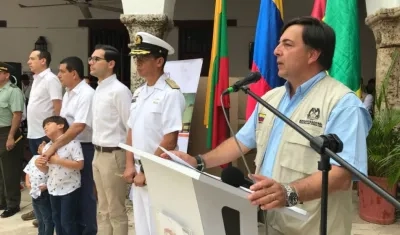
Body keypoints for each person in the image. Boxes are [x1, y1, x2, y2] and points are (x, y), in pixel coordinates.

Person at [162, 16, 372, 235]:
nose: (276, 51)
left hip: (310, 227)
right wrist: (198, 161)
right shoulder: (271, 98)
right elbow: (241, 142)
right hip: (266, 223)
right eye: (279, 43)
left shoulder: (342, 104)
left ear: (313, 54)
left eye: (287, 45)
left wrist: (289, 192)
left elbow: (342, 175)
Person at [123, 32, 186, 235]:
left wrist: (146, 171)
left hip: (158, 169)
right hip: (140, 171)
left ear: (159, 61)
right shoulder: (140, 92)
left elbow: (170, 139)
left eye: (143, 58)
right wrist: (130, 164)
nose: (138, 63)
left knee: (160, 226)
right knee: (142, 226)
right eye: (136, 58)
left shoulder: (171, 93)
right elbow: (132, 129)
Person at [40, 57, 97, 235]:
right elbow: (62, 123)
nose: (58, 75)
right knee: (70, 195)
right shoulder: (68, 92)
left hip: (84, 146)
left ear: (74, 73)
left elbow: (78, 126)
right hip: (65, 146)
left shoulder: (86, 94)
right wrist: (52, 144)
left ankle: (87, 230)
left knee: (85, 193)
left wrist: (52, 147)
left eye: (62, 71)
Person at [89, 44, 132, 235]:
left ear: (111, 63)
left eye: (97, 59)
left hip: (114, 154)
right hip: (97, 153)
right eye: (91, 58)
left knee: (116, 209)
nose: (91, 62)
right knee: (103, 208)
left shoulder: (119, 91)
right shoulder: (98, 89)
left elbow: (130, 126)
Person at [23, 49, 62, 223]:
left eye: (32, 59)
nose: (29, 62)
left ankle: (47, 213)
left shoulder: (51, 79)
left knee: (46, 173)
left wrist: (53, 136)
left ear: (43, 61)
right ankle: (38, 208)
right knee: (35, 172)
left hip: (44, 135)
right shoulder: (37, 79)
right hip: (33, 133)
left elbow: (57, 107)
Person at [35, 116, 84, 235]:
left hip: (70, 188)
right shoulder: (47, 147)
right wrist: (39, 165)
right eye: (43, 126)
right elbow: (47, 170)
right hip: (53, 189)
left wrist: (58, 161)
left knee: (68, 222)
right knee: (57, 220)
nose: (45, 127)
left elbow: (80, 164)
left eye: (48, 124)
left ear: (61, 125)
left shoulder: (73, 143)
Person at [0, 62, 25, 218]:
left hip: (8, 132)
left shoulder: (13, 91)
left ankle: (13, 204)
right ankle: (2, 201)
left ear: (6, 75)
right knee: (0, 170)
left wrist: (10, 136)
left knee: (10, 170)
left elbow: (17, 114)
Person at [23, 154, 53, 235]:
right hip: (34, 193)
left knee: (47, 219)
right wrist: (27, 182)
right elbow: (27, 171)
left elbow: (54, 176)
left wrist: (47, 186)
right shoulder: (34, 158)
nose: (41, 145)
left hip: (44, 193)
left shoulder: (51, 159)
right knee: (39, 218)